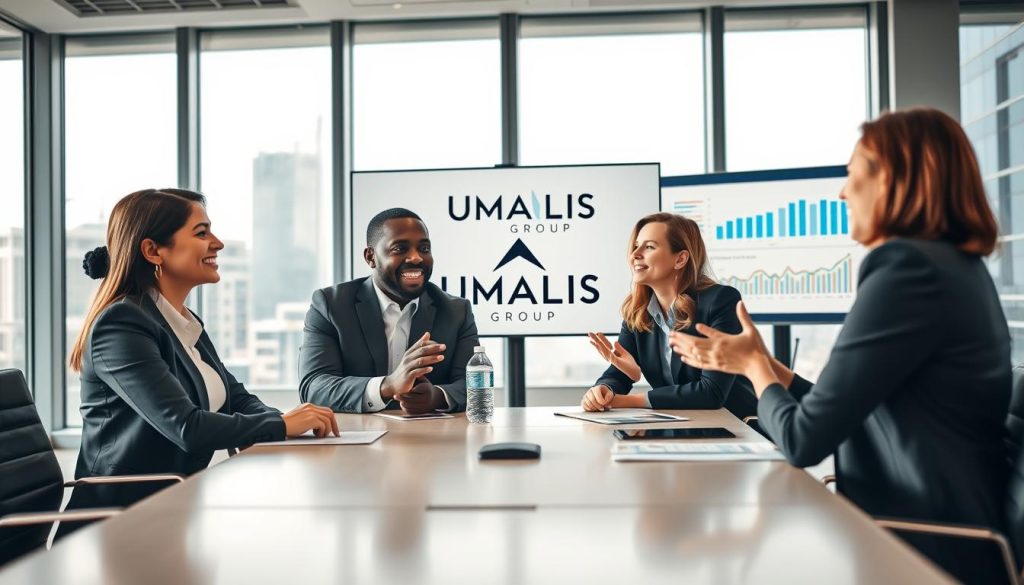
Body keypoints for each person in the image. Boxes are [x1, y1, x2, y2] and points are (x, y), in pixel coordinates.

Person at [669, 108, 1010, 584]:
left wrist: (755, 369)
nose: (843, 191)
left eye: (854, 174)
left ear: (893, 181)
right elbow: (849, 409)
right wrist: (766, 366)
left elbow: (804, 441)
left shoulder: (906, 270)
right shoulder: (955, 267)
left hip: (920, 547)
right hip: (941, 531)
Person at [64, 188, 337, 527]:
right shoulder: (121, 325)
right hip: (116, 525)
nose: (218, 243)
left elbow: (235, 398)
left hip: (172, 511)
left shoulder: (181, 322)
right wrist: (281, 425)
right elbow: (186, 426)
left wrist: (289, 421)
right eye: (202, 232)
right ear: (152, 251)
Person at [298, 208, 479, 414]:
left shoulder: (456, 311)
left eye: (424, 248)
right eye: (400, 249)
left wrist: (436, 396)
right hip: (356, 436)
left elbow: (474, 384)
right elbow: (313, 387)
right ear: (370, 257)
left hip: (431, 437)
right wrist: (387, 386)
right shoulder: (331, 306)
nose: (416, 258)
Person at [580, 212, 757, 419]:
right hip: (681, 425)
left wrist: (625, 401)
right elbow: (621, 371)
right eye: (636, 246)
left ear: (680, 259)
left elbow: (711, 392)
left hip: (737, 427)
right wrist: (604, 391)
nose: (635, 254)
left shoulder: (720, 301)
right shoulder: (638, 311)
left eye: (649, 247)